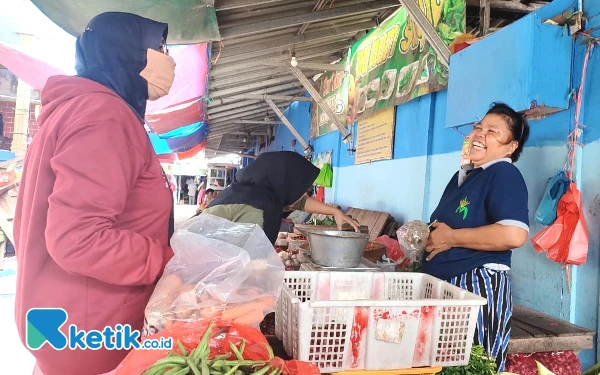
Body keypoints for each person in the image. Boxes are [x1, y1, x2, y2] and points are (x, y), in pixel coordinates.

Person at [14, 12, 176, 375]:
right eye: (160, 48)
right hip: (93, 333)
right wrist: (165, 262)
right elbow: (77, 238)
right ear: (126, 51)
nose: (170, 59)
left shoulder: (79, 108)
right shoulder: (103, 114)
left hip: (70, 323)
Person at [422, 102, 530, 371]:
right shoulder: (466, 176)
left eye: (493, 131)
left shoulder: (504, 173)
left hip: (477, 288)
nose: (480, 134)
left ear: (511, 146)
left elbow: (514, 234)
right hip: (448, 285)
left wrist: (451, 238)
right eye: (478, 127)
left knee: (476, 365)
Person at [200, 151, 360, 244]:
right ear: (285, 182)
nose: (302, 192)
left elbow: (300, 202)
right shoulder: (256, 208)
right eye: (298, 186)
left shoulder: (251, 191)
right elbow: (244, 260)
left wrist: (335, 212)